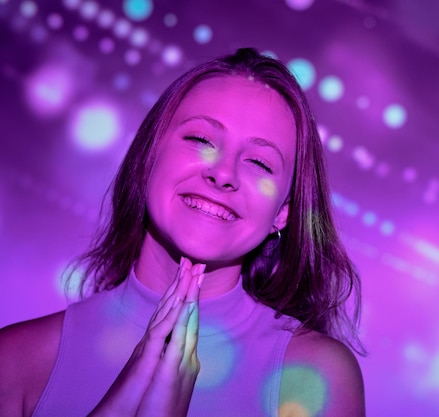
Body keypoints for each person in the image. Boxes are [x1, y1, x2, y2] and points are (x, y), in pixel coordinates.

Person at [0, 48, 365, 416]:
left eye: (258, 162)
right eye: (201, 140)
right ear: (147, 157)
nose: (223, 174)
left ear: (284, 212)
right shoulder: (16, 360)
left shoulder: (314, 377)